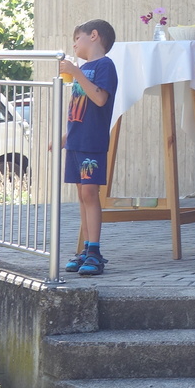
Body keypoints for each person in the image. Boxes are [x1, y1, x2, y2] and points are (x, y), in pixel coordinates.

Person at [60, 19, 118, 276]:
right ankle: (85, 249)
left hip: (92, 143)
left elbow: (100, 98)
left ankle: (94, 251)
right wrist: (65, 136)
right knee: (82, 195)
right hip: (76, 142)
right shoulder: (83, 69)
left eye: (77, 38)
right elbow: (80, 109)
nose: (74, 44)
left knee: (90, 193)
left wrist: (76, 73)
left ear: (93, 35)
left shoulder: (105, 65)